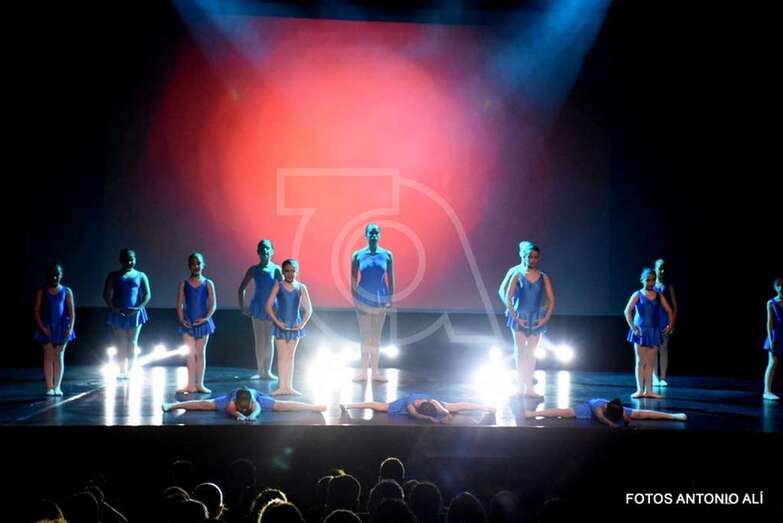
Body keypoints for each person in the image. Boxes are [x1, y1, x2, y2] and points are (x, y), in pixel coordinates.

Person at [499, 241, 555, 397]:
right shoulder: (516, 273)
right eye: (530, 257)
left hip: (536, 317)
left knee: (532, 352)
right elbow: (506, 295)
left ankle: (529, 387)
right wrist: (514, 314)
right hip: (520, 316)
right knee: (520, 351)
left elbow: (551, 300)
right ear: (523, 256)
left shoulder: (543, 277)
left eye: (535, 257)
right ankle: (519, 387)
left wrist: (545, 318)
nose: (533, 260)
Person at [351, 223, 395, 382]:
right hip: (363, 300)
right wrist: (355, 301)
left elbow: (391, 278)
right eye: (371, 233)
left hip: (380, 300)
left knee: (376, 338)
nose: (374, 235)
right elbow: (353, 280)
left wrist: (390, 299)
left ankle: (375, 371)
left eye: (376, 233)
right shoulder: (357, 255)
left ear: (380, 235)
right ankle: (363, 372)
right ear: (366, 235)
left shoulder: (387, 255)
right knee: (365, 337)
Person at [625, 268, 674, 399]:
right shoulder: (637, 294)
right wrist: (633, 327)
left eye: (653, 280)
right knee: (641, 361)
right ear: (642, 280)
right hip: (640, 331)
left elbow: (669, 311)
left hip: (653, 331)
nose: (651, 282)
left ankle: (649, 391)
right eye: (648, 280)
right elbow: (627, 311)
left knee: (651, 362)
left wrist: (670, 326)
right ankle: (640, 390)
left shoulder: (659, 295)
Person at [265, 259, 312, 395]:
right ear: (283, 272)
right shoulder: (278, 285)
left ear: (296, 272)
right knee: (281, 357)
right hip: (281, 325)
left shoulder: (301, 287)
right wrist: (277, 322)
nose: (290, 274)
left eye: (292, 271)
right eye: (287, 271)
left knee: (290, 357)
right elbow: (268, 306)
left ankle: (289, 387)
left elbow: (309, 309)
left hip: (294, 326)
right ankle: (282, 387)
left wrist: (301, 324)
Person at [103, 248, 151, 378]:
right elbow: (106, 295)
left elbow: (147, 294)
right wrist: (114, 309)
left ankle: (131, 370)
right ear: (121, 260)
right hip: (118, 313)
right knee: (121, 343)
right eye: (126, 260)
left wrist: (139, 308)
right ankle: (121, 370)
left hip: (135, 314)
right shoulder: (113, 276)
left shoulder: (141, 275)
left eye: (132, 260)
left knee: (133, 342)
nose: (129, 262)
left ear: (135, 260)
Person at [238, 239, 282, 380]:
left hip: (271, 308)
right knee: (259, 340)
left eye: (267, 248)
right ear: (258, 252)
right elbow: (242, 288)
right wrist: (242, 306)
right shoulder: (253, 270)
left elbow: (283, 289)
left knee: (269, 340)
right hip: (257, 307)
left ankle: (267, 371)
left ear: (272, 251)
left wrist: (282, 308)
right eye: (262, 248)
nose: (265, 251)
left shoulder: (276, 269)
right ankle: (260, 370)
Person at [176, 253, 217, 394]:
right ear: (189, 266)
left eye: (198, 263)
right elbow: (179, 303)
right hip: (188, 322)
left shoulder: (208, 283)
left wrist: (206, 318)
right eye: (193, 264)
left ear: (203, 265)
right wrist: (181, 319)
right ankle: (190, 384)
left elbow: (213, 304)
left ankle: (200, 384)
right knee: (190, 354)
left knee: (201, 352)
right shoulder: (184, 283)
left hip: (203, 322)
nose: (196, 266)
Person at [161, 386, 327, 420]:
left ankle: (313, 407)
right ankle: (172, 405)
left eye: (246, 407)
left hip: (255, 394)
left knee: (282, 406)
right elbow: (231, 411)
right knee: (205, 405)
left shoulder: (255, 401)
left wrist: (252, 416)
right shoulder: (231, 402)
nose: (245, 409)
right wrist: (239, 415)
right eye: (243, 407)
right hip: (232, 394)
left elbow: (258, 409)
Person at [33, 263, 75, 396]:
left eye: (57, 275)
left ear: (61, 275)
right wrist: (42, 327)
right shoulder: (42, 291)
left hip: (62, 327)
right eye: (52, 275)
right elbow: (36, 311)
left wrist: (70, 328)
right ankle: (49, 387)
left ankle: (57, 386)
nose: (54, 277)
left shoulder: (67, 291)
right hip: (47, 327)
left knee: (59, 356)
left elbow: (72, 312)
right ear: (48, 276)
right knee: (48, 356)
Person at [525, 397, 687, 428]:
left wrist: (627, 421)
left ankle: (673, 416)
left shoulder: (620, 410)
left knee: (640, 413)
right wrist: (611, 424)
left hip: (613, 410)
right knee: (566, 412)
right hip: (588, 407)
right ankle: (532, 414)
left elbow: (640, 414)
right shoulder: (597, 407)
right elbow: (600, 418)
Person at [341, 394, 495, 424]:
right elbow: (414, 415)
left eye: (419, 402)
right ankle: (349, 405)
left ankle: (488, 408)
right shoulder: (411, 404)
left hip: (433, 407)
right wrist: (431, 418)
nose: (418, 401)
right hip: (402, 404)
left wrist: (440, 415)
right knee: (377, 405)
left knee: (461, 406)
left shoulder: (433, 403)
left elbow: (461, 407)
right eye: (418, 401)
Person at [653, 258, 678, 386]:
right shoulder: (651, 286)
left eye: (664, 269)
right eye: (660, 268)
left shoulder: (668, 286)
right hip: (653, 321)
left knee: (663, 349)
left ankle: (663, 377)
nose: (662, 271)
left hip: (664, 321)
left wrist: (671, 324)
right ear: (655, 269)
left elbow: (674, 308)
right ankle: (655, 377)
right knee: (653, 350)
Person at [763, 276, 783, 400]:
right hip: (776, 336)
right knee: (772, 363)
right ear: (775, 287)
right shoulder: (771, 303)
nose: (781, 287)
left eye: (782, 285)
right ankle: (766, 391)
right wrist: (771, 340)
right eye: (778, 285)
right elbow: (769, 323)